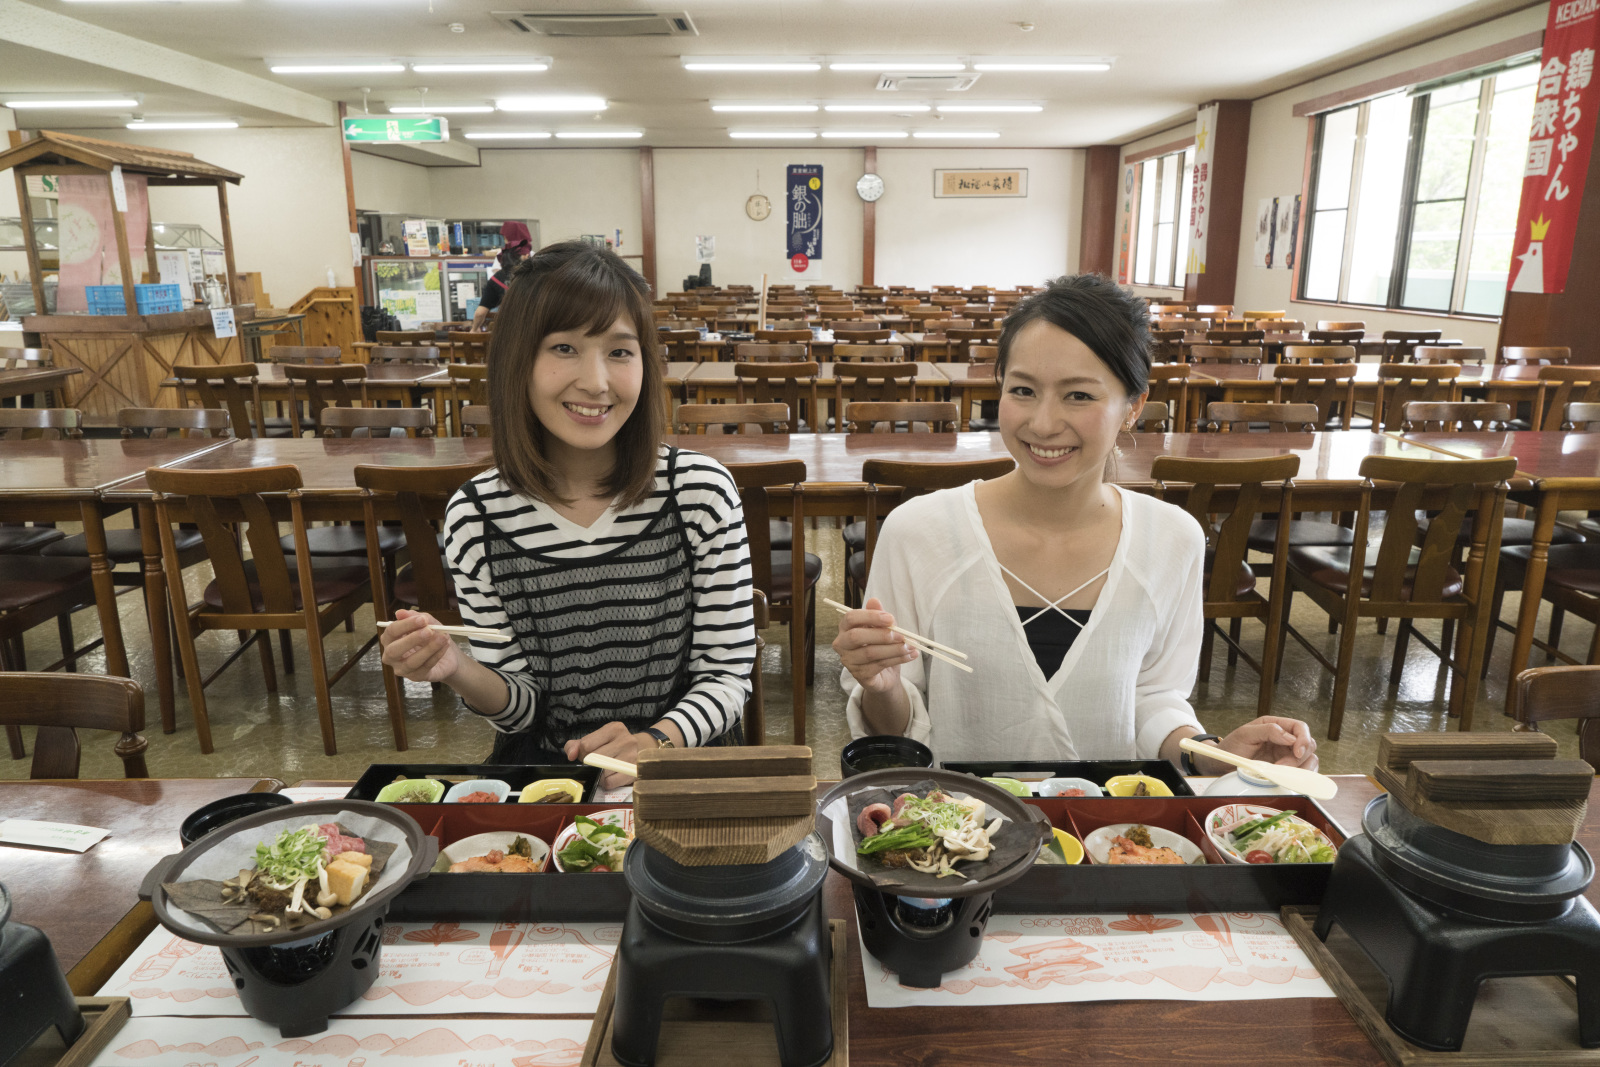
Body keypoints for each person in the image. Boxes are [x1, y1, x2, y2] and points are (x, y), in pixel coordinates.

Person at [833, 273, 1317, 775]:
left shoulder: (1172, 539)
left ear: (1132, 407)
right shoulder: (919, 532)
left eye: (1079, 396)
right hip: (958, 835)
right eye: (1023, 390)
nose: (1042, 423)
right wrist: (883, 686)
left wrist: (1215, 754)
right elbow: (897, 725)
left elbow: (1152, 699)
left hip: (1109, 838)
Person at [380, 241, 756, 786]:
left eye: (620, 352)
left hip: (681, 769)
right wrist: (456, 669)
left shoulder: (696, 491)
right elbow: (523, 708)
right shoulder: (477, 515)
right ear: (518, 362)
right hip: (547, 779)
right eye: (564, 348)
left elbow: (726, 675)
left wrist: (652, 741)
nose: (596, 381)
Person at [471, 222, 534, 330]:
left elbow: (481, 312)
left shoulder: (500, 272)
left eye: (506, 238)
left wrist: (473, 329)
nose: (505, 242)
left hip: (509, 324)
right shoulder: (534, 259)